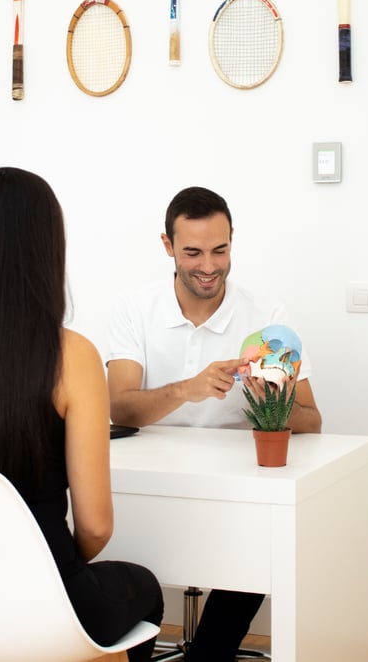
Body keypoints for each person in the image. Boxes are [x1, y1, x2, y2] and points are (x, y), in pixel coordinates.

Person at [0, 167, 163, 659]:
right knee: (144, 589)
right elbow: (96, 526)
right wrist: (42, 570)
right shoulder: (70, 355)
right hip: (40, 604)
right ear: (46, 248)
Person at [107, 185, 322, 662]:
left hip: (237, 491)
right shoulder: (135, 307)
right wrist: (188, 388)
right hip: (150, 484)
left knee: (260, 537)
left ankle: (209, 654)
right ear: (167, 246)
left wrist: (271, 401)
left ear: (232, 242)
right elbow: (119, 408)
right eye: (193, 252)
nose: (209, 266)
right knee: (110, 544)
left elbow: (313, 420)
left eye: (220, 250)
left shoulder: (267, 316)